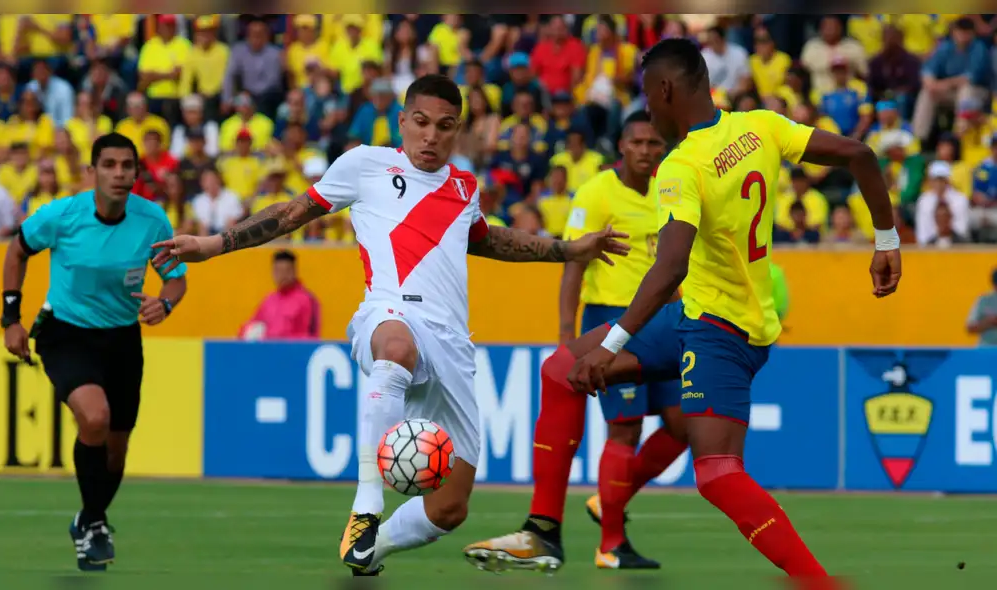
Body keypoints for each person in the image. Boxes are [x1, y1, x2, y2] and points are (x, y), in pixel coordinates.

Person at [148, 74, 629, 577]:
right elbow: (292, 213)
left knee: (451, 507)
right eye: (420, 123)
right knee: (394, 348)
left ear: (458, 130)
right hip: (389, 310)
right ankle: (366, 508)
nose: (431, 136)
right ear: (402, 121)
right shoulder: (366, 165)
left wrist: (568, 250)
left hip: (453, 347)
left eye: (445, 127)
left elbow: (490, 241)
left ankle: (369, 551)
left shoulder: (465, 187)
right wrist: (214, 243)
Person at [477, 37, 903, 580]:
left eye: (647, 97)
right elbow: (860, 155)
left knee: (718, 474)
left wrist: (611, 347)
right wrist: (886, 241)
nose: (648, 110)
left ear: (666, 88)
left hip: (723, 333)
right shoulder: (761, 127)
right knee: (560, 369)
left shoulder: (682, 166)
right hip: (692, 316)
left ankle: (820, 583)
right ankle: (543, 533)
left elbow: (671, 264)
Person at [464, 111, 686, 571]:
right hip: (610, 317)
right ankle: (612, 545)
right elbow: (574, 263)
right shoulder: (595, 193)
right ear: (621, 147)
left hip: (662, 318)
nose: (646, 151)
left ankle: (611, 499)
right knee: (624, 428)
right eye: (638, 143)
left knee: (685, 424)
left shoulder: (671, 192)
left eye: (654, 144)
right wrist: (568, 336)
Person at [1, 133, 188, 571]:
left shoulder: (151, 220)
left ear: (138, 174)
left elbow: (175, 277)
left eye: (127, 166)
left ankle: (90, 518)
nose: (119, 174)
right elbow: (17, 251)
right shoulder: (63, 215)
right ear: (92, 172)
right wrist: (11, 318)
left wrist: (166, 303)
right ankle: (94, 525)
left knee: (117, 450)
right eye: (109, 165)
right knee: (96, 417)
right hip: (65, 332)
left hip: (122, 338)